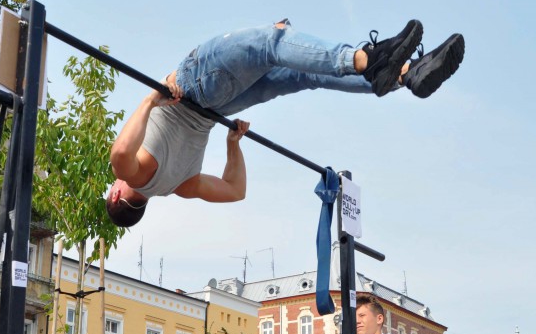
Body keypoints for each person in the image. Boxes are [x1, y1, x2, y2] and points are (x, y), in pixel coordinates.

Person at [105, 19, 465, 226]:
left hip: (218, 106)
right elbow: (121, 150)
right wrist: (152, 98)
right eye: (113, 186)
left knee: (300, 75)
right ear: (118, 194)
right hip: (196, 84)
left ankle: (403, 75)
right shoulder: (135, 173)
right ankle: (368, 59)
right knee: (271, 41)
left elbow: (234, 190)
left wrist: (232, 147)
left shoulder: (179, 187)